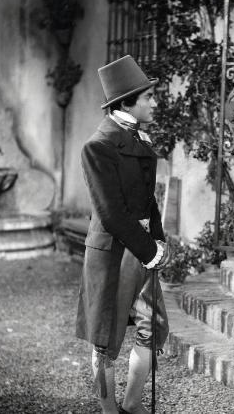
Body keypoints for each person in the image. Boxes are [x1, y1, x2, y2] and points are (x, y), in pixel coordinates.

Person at [76, 55, 170, 414]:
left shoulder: (140, 139)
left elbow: (149, 201)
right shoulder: (98, 146)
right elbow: (111, 214)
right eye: (148, 97)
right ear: (126, 102)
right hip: (113, 253)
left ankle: (131, 405)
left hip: (144, 250)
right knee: (105, 342)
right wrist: (151, 250)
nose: (154, 102)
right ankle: (108, 410)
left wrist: (158, 240)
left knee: (149, 328)